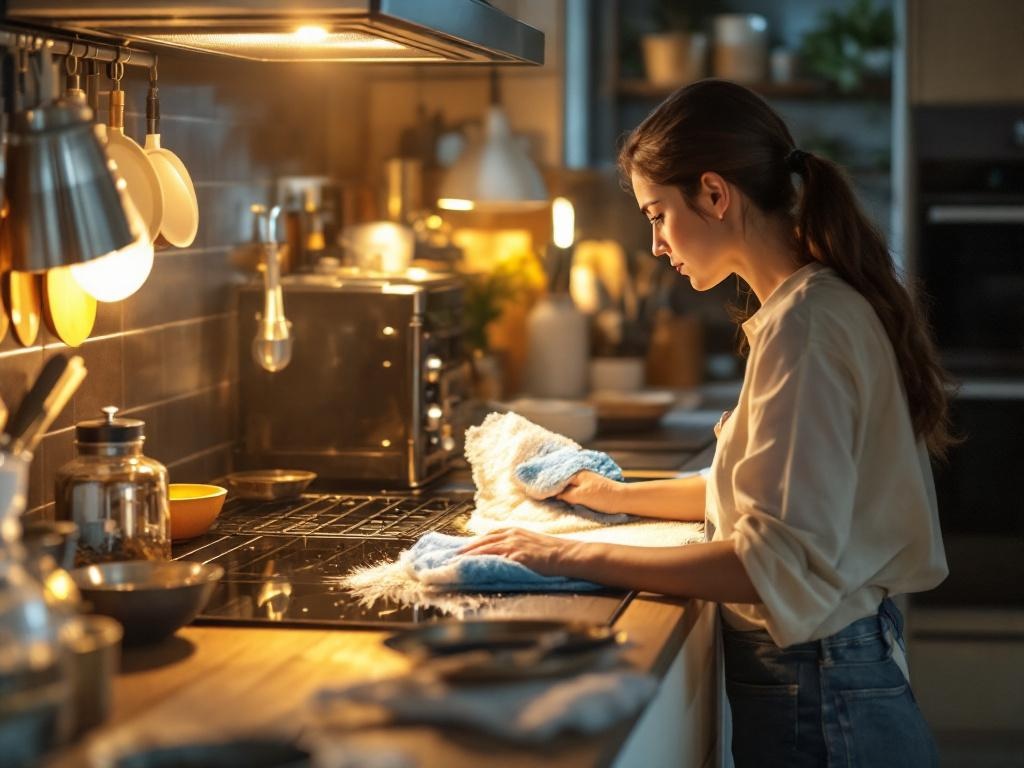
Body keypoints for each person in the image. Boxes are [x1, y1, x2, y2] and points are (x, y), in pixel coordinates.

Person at [459, 79, 950, 767]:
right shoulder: (805, 310)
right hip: (828, 677)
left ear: (716, 195)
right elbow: (762, 497)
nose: (655, 243)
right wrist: (613, 495)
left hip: (822, 694)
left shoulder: (805, 329)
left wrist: (565, 555)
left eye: (658, 214)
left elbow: (767, 560)